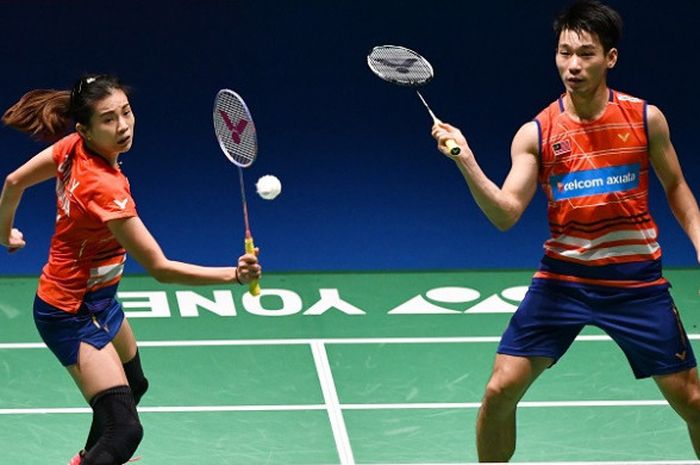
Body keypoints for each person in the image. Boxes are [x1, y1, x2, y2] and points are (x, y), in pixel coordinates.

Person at [431, 0, 700, 461]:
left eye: (586, 53)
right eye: (564, 52)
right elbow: (505, 213)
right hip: (564, 281)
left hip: (635, 282)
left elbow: (675, 185)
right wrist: (467, 161)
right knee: (499, 391)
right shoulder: (536, 132)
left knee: (693, 401)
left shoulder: (643, 119)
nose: (572, 65)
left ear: (610, 58)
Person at [0, 74, 262, 465]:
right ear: (85, 129)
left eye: (126, 112)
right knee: (124, 429)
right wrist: (235, 276)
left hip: (98, 300)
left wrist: (4, 236)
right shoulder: (105, 189)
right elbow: (160, 269)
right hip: (70, 311)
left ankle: (87, 458)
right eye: (108, 119)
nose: (122, 126)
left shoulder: (72, 148)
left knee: (133, 383)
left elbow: (14, 181)